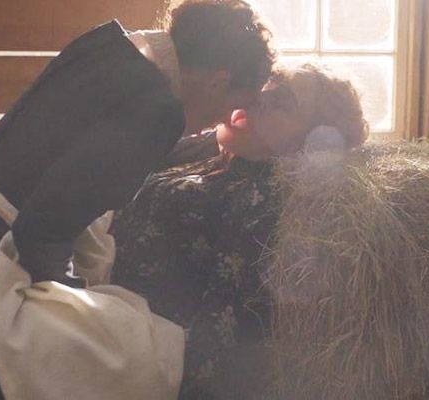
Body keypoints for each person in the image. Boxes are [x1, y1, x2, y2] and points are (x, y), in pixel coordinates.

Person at [0, 0, 274, 399]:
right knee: (141, 357)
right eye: (233, 106)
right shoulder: (157, 112)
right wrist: (76, 299)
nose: (221, 122)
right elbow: (44, 229)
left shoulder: (110, 45)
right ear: (217, 82)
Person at [110, 63, 368, 399]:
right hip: (98, 298)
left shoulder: (260, 204)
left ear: (308, 145)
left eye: (282, 102)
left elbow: (221, 336)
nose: (260, 97)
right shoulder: (217, 156)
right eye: (266, 84)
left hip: (137, 348)